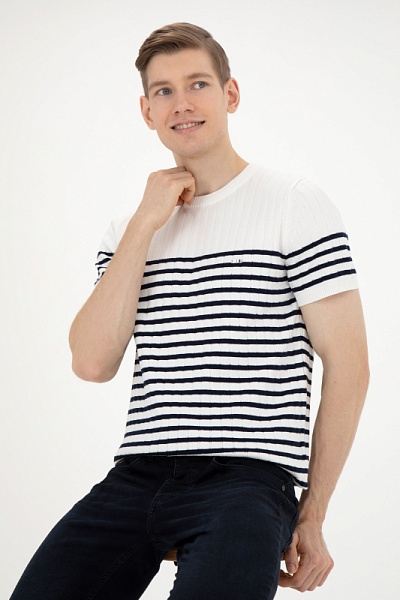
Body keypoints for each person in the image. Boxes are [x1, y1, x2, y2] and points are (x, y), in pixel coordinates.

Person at [11, 22, 369, 600]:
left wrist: (313, 512)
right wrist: (144, 224)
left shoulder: (293, 203)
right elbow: (91, 363)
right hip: (138, 473)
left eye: (198, 83)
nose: (182, 103)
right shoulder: (128, 229)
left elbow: (350, 366)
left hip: (249, 478)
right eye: (164, 91)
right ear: (147, 111)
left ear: (230, 94)